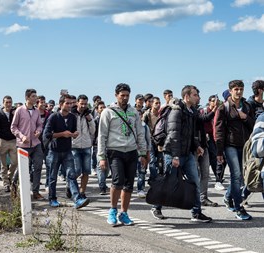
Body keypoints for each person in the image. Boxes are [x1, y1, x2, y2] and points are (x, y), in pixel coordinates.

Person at [151, 85, 212, 223]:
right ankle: (156, 207)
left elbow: (189, 134)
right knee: (168, 183)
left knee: (194, 182)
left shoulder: (191, 111)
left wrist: (197, 146)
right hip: (173, 153)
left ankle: (196, 213)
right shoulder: (177, 111)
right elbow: (174, 135)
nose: (198, 97)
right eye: (195, 95)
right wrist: (175, 156)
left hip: (187, 153)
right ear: (187, 96)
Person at [98, 83, 147, 226]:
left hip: (131, 151)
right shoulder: (108, 112)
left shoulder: (134, 112)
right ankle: (112, 210)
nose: (125, 98)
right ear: (116, 95)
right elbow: (102, 135)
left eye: (127, 95)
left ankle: (124, 213)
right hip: (115, 151)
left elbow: (140, 133)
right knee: (117, 181)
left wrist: (142, 153)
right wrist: (101, 157)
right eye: (122, 95)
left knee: (129, 184)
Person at [215, 80, 255, 220]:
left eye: (241, 89)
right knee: (236, 175)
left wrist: (245, 118)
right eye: (236, 89)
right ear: (230, 90)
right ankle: (239, 208)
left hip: (245, 146)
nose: (239, 92)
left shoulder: (247, 106)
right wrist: (219, 151)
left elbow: (253, 125)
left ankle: (227, 197)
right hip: (229, 145)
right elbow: (219, 131)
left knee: (241, 177)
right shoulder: (223, 108)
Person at [43, 94, 90, 208]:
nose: (69, 106)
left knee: (71, 175)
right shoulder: (53, 117)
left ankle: (77, 199)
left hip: (67, 150)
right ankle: (52, 198)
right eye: (67, 103)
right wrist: (62, 134)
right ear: (61, 104)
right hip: (54, 151)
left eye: (71, 103)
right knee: (53, 176)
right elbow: (47, 134)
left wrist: (74, 134)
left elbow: (73, 131)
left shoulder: (72, 117)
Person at [11, 89, 45, 201]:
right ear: (27, 98)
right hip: (23, 145)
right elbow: (13, 127)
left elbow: (40, 125)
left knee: (38, 167)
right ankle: (14, 187)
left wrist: (39, 131)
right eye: (33, 96)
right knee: (22, 168)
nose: (36, 98)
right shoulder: (19, 110)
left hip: (36, 144)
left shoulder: (36, 112)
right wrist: (21, 136)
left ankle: (35, 192)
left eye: (36, 96)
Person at [71, 94, 96, 199]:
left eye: (85, 104)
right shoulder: (72, 114)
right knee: (77, 170)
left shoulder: (89, 115)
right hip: (74, 145)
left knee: (86, 171)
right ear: (77, 103)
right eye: (81, 103)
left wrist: (90, 120)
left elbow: (93, 130)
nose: (83, 106)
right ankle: (71, 186)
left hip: (86, 145)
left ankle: (82, 192)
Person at [0, 96, 18, 192]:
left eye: (10, 102)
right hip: (2, 140)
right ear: (3, 103)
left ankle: (9, 177)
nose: (8, 104)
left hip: (13, 140)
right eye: (7, 102)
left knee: (15, 162)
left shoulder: (14, 113)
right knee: (3, 164)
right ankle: (6, 183)